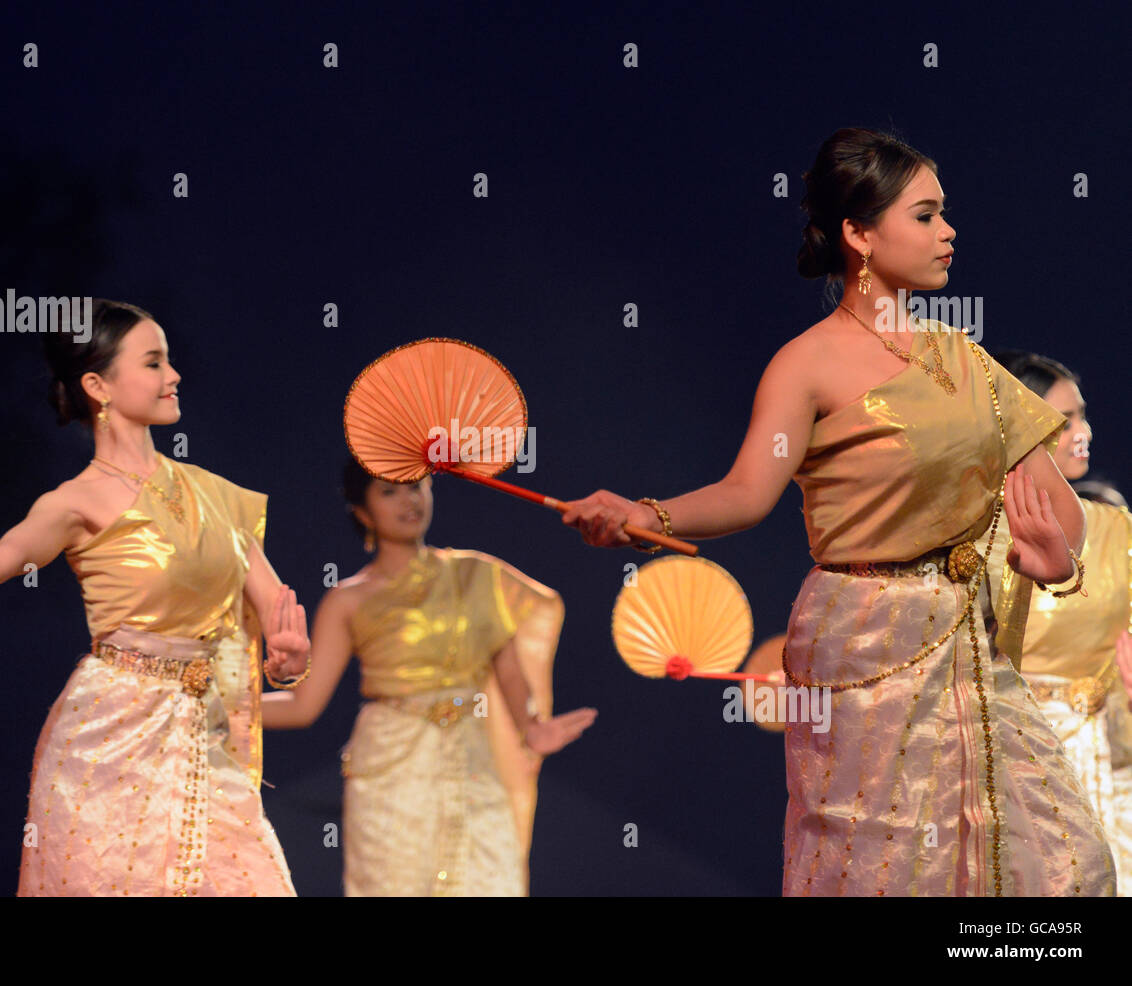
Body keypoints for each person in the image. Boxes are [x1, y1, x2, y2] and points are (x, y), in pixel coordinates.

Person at [560, 128, 1116, 896]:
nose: (948, 231)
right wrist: (646, 516)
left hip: (966, 645)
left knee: (1063, 864)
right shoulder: (808, 363)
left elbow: (1057, 507)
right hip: (863, 643)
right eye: (924, 216)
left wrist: (1057, 559)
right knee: (882, 867)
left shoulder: (967, 360)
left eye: (944, 214)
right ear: (858, 233)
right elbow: (746, 492)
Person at [0, 299, 309, 896]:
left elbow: (271, 600)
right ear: (97, 385)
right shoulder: (73, 502)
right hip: (107, 743)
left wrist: (289, 658)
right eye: (155, 363)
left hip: (207, 742)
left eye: (171, 361)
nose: (174, 376)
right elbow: (6, 556)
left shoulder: (218, 497)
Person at [258, 458, 597, 895]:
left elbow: (508, 667)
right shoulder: (347, 600)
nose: (408, 500)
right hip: (391, 766)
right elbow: (304, 705)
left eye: (416, 486)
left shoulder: (476, 574)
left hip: (475, 761)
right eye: (388, 492)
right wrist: (222, 705)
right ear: (362, 512)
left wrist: (531, 728)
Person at [974, 350, 1132, 894]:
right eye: (1062, 422)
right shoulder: (975, 531)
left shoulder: (1116, 531)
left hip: (1106, 763)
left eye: (1082, 415)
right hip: (1005, 758)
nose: (1082, 431)